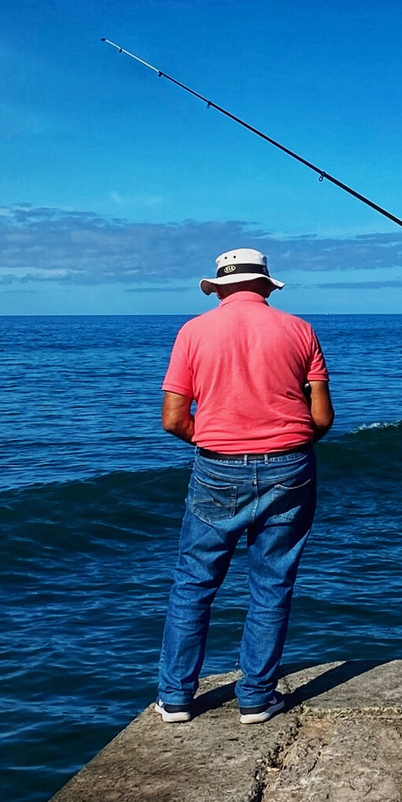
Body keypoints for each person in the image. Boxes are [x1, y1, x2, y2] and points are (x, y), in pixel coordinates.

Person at [153, 248, 333, 725]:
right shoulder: (300, 331)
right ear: (265, 285)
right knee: (272, 583)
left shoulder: (193, 332)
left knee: (193, 583)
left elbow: (173, 419)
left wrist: (218, 441)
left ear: (219, 287)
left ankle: (175, 699)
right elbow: (321, 418)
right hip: (291, 466)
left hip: (217, 467)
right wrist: (284, 443)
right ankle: (255, 697)